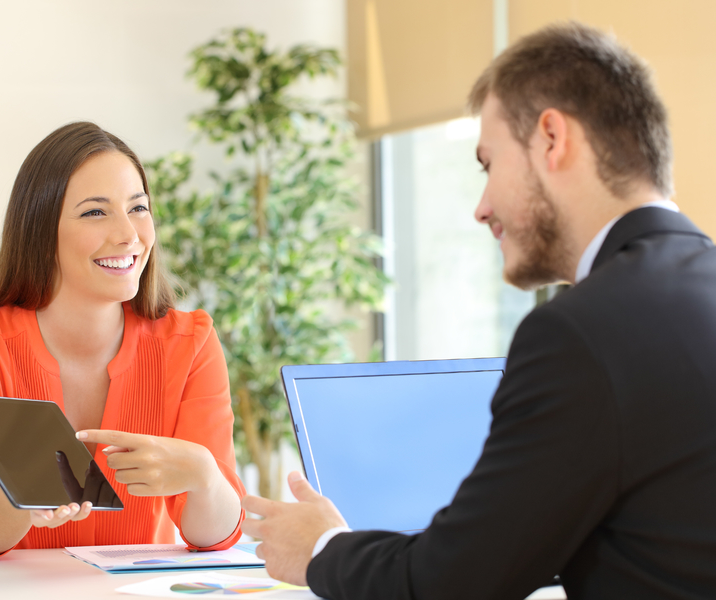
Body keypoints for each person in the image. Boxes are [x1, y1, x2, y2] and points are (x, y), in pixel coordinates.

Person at [241, 22, 716, 600]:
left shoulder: (579, 332)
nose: (480, 207)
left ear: (551, 138)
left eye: (487, 164)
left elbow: (450, 582)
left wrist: (319, 548)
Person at [0, 122, 245, 559]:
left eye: (138, 208)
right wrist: (20, 500)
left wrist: (205, 476)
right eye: (95, 212)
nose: (129, 234)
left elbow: (213, 537)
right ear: (41, 232)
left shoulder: (189, 341)